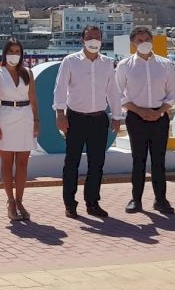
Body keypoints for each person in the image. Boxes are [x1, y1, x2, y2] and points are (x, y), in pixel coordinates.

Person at [52, 25, 125, 219]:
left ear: (102, 39)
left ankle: (92, 203)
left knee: (97, 164)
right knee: (72, 163)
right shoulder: (70, 61)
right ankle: (70, 204)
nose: (94, 40)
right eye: (90, 37)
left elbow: (113, 91)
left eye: (97, 37)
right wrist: (60, 114)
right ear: (82, 40)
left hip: (99, 119)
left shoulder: (107, 63)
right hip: (75, 118)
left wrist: (117, 116)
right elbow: (60, 88)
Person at [116, 26, 175, 214]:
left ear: (152, 40)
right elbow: (118, 94)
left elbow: (172, 94)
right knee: (138, 160)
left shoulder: (165, 64)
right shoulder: (124, 65)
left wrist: (160, 111)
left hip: (160, 117)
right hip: (136, 117)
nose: (144, 43)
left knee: (159, 160)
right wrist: (139, 111)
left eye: (147, 40)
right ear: (133, 43)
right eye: (139, 41)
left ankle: (161, 200)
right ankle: (136, 200)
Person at [0, 38, 39, 221]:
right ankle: (10, 201)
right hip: (6, 117)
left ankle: (19, 201)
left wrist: (37, 121)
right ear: (5, 53)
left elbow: (33, 99)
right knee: (7, 162)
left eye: (17, 51)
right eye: (11, 51)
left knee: (23, 163)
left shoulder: (28, 73)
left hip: (25, 117)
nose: (14, 55)